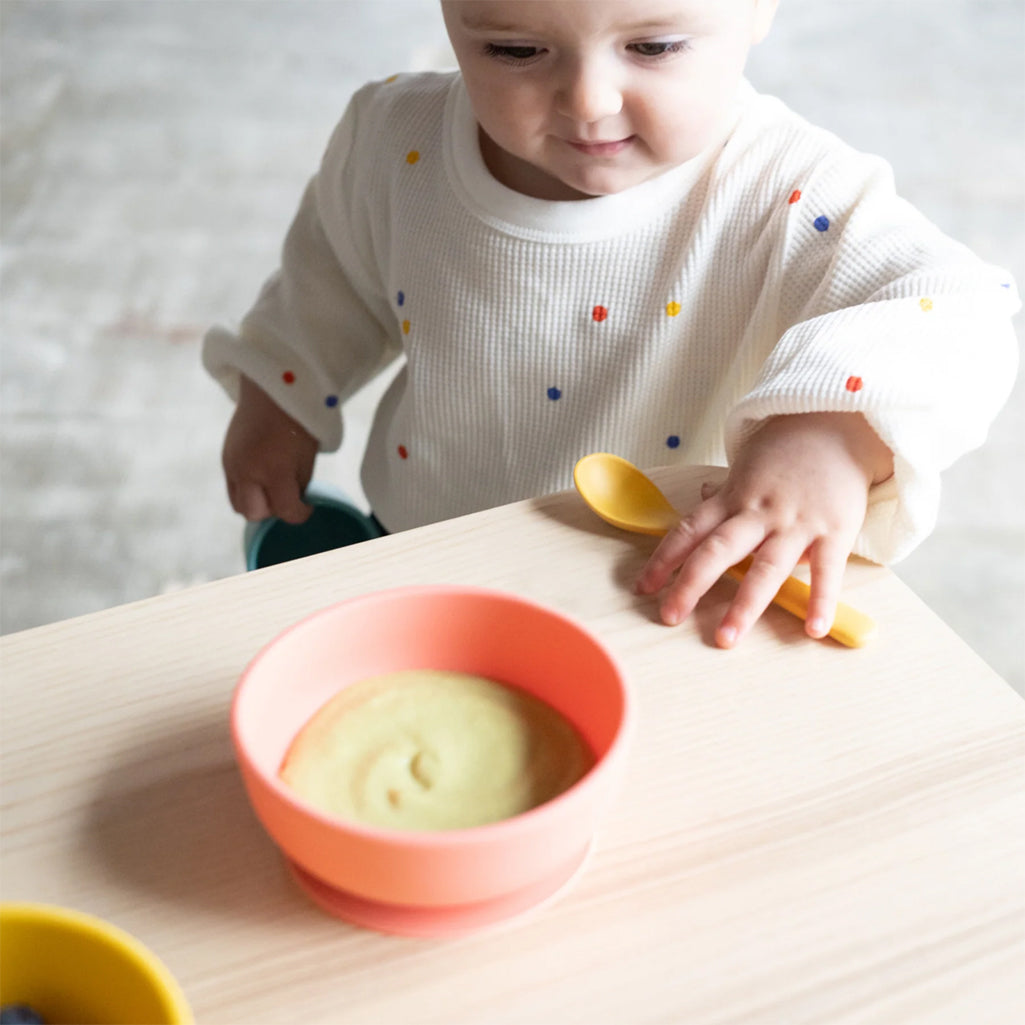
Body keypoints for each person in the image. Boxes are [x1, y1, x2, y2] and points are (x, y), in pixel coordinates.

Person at [203, 0, 1019, 648]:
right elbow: (332, 274)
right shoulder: (393, 142)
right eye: (514, 50)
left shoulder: (784, 192)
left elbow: (964, 309)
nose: (587, 101)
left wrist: (833, 430)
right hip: (420, 542)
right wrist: (282, 391)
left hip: (645, 592)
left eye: (655, 45)